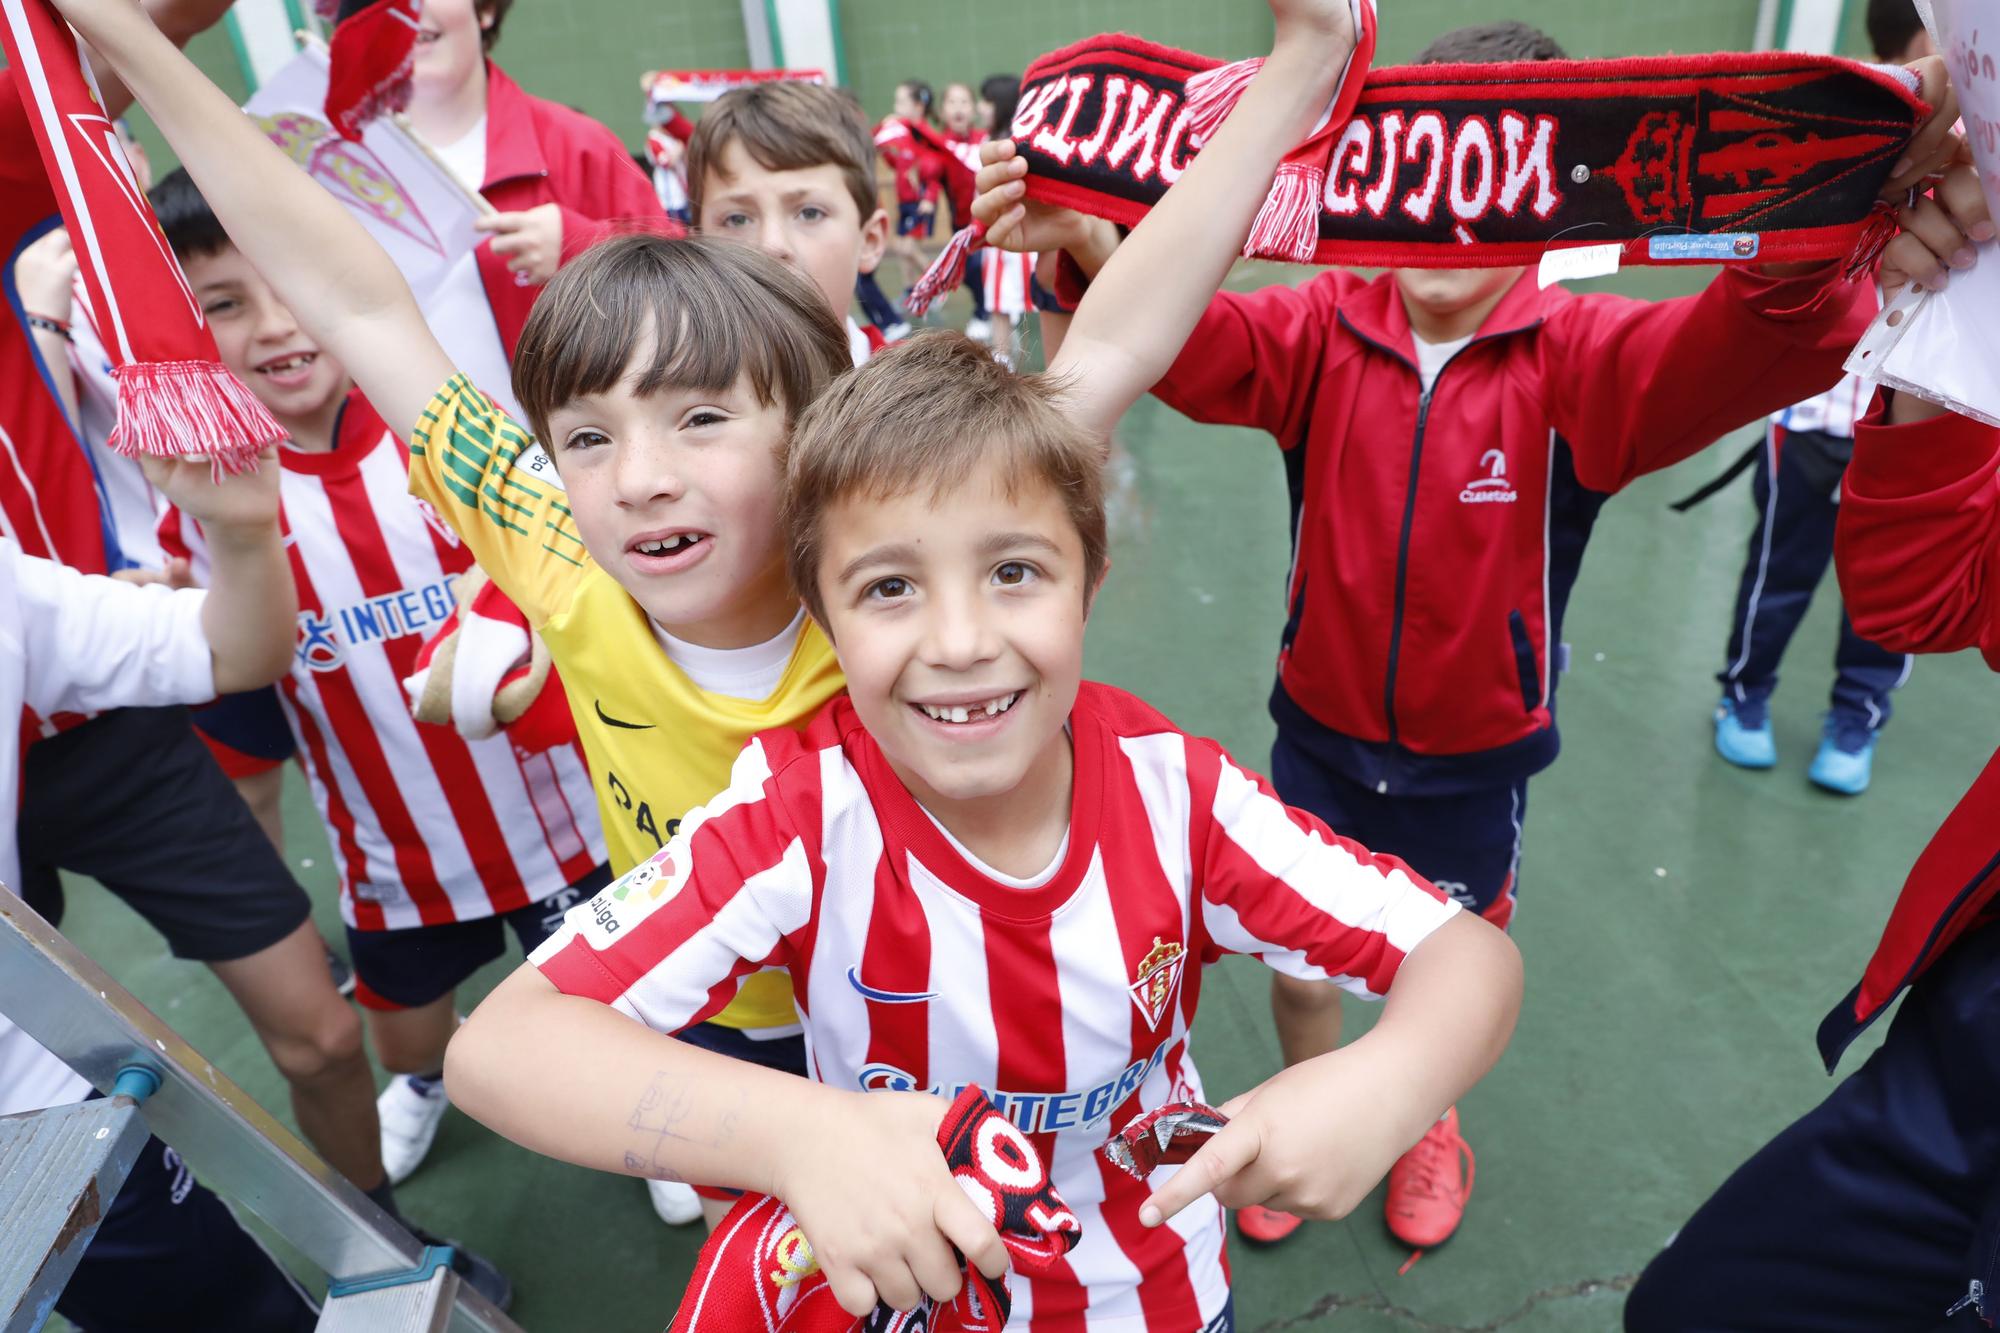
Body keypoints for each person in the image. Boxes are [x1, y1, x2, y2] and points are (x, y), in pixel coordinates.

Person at [447, 7, 1521, 1329]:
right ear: (823, 618)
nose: (958, 639)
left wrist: (1391, 1079)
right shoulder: (801, 817)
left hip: (1161, 1301)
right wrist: (800, 1138)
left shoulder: (1175, 797)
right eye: (890, 587)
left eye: (1012, 571)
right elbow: (499, 1046)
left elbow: (1466, 956)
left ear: (1090, 578)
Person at [970, 18, 1958, 1251]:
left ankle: (1423, 1116)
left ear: (1544, 197)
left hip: (1474, 762)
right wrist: (1084, 246)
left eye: (1490, 184)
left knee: (1435, 968)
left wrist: (1827, 201)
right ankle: (1291, 1111)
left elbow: (1755, 336)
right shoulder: (1317, 326)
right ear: (1385, 165)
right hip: (1316, 733)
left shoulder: (1581, 360)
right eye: (1425, 167)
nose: (1451, 222)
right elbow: (1175, 346)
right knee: (1296, 968)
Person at [44, 0, 853, 1239]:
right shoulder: (560, 547)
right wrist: (141, 51)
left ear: (814, 449)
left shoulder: (878, 579)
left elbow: (1108, 351)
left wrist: (1279, 74)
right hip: (691, 1006)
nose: (638, 476)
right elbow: (359, 302)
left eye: (700, 418)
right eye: (586, 435)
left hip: (896, 1006)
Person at [145, 168, 609, 1197]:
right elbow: (234, 713)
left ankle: (633, 1130)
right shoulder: (212, 512)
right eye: (224, 303)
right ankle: (429, 1085)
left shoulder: (451, 434)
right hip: (398, 856)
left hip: (564, 822)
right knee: (406, 1043)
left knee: (615, 1008)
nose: (273, 326)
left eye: (289, 284)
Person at [1626, 154, 2000, 1332]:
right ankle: (1748, 696)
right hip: (1965, 1037)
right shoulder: (1901, 197)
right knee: (1691, 1306)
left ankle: (1848, 715)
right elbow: (1923, 591)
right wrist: (1950, 333)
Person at [0, 438, 314, 1332]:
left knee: (238, 1311)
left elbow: (231, 649)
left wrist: (243, 529)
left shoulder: (7, 586)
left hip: (28, 1096)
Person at [1709, 0, 1932, 796]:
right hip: (1816, 416)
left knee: (1892, 595)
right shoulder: (1837, 142)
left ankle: (1858, 714)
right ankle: (1743, 695)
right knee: (1781, 568)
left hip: (1914, 426)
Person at [400, 0, 670, 354]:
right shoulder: (330, 168)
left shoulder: (577, 144)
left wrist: (582, 246)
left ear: (485, 10)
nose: (407, 7)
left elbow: (682, 282)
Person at [686, 80, 898, 358]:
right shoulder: (660, 396)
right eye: (737, 219)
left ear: (869, 241)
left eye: (810, 213)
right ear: (697, 250)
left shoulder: (932, 397)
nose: (772, 246)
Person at [938, 79, 993, 341]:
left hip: (987, 220)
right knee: (965, 273)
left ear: (973, 110)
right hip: (958, 222)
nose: (958, 108)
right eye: (952, 102)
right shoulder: (938, 144)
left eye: (964, 102)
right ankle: (989, 307)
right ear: (942, 111)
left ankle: (985, 312)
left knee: (978, 267)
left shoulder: (986, 140)